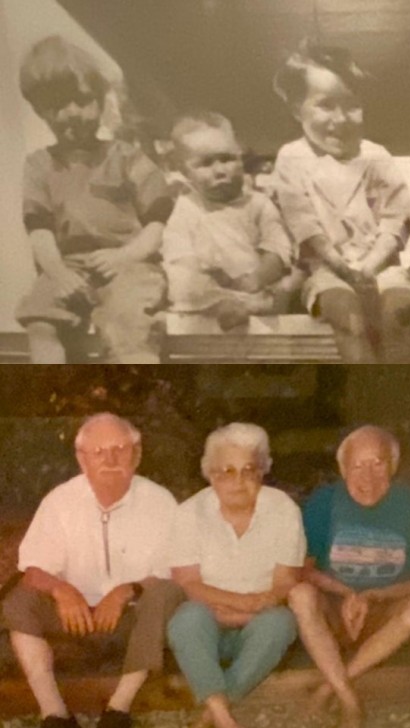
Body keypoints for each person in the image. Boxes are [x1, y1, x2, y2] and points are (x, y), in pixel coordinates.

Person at [1, 413, 181, 728]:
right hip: (74, 616)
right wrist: (62, 590)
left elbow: (174, 569)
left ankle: (117, 711)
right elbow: (33, 568)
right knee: (19, 602)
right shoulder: (61, 501)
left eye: (120, 449)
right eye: (98, 452)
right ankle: (55, 714)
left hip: (131, 618)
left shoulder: (159, 501)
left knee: (166, 595)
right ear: (82, 460)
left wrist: (127, 590)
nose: (110, 459)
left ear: (136, 455)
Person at [15, 36, 174, 363]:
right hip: (68, 267)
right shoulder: (39, 165)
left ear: (101, 101)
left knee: (129, 323)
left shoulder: (126, 157)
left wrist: (127, 255)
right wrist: (57, 273)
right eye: (57, 105)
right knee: (40, 322)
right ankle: (52, 396)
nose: (72, 113)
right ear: (40, 111)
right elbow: (39, 230)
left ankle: (137, 390)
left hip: (128, 263)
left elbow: (157, 221)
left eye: (82, 100)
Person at [287, 426, 410, 728]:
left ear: (393, 465)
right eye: (358, 465)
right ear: (343, 468)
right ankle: (349, 700)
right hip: (335, 613)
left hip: (384, 615)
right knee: (300, 595)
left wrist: (376, 595)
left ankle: (329, 686)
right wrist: (348, 592)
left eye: (378, 464)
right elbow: (303, 570)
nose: (368, 476)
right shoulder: (324, 502)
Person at [273, 41, 410, 362]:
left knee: (399, 313)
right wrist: (343, 268)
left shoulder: (374, 156)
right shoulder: (292, 158)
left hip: (381, 265)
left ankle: (406, 401)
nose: (340, 119)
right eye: (325, 105)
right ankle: (370, 401)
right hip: (328, 269)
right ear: (296, 109)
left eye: (351, 106)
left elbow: (396, 217)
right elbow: (303, 223)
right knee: (349, 318)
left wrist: (370, 266)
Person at [166, 423, 306, 728]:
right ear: (210, 474)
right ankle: (225, 719)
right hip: (208, 624)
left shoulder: (283, 510)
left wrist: (248, 612)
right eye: (226, 471)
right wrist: (246, 603)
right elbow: (189, 584)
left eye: (248, 470)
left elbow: (284, 583)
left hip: (258, 623)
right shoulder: (189, 513)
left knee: (282, 623)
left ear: (263, 471)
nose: (238, 481)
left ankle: (213, 711)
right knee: (186, 620)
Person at [162, 113, 300, 332]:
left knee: (290, 282)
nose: (220, 171)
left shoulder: (258, 203)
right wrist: (208, 279)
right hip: (208, 294)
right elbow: (180, 255)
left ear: (241, 158)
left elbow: (278, 247)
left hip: (256, 289)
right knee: (184, 280)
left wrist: (258, 277)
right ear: (184, 171)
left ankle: (249, 307)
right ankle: (230, 306)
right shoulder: (186, 208)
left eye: (227, 159)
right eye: (205, 163)